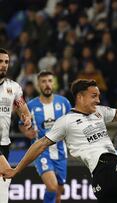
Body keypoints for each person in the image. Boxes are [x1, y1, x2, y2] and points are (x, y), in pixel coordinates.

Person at [19, 71, 71, 203]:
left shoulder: (64, 103)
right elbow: (21, 124)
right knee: (52, 187)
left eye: (49, 81)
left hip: (60, 152)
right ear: (38, 85)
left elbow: (72, 123)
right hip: (41, 152)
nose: (47, 84)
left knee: (59, 192)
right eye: (43, 81)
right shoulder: (30, 105)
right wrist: (26, 132)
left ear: (53, 83)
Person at [0, 48, 32, 203]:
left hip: (4, 142)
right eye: (0, 61)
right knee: (6, 173)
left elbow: (22, 108)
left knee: (3, 182)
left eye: (6, 62)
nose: (4, 65)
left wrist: (26, 118)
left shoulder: (13, 87)